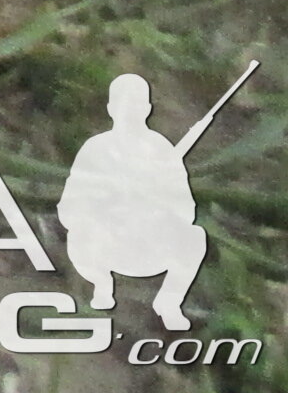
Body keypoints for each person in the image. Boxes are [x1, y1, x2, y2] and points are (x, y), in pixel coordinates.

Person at [58, 72, 211, 331]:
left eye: (137, 103)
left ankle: (170, 302)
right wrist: (107, 202)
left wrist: (156, 200)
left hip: (148, 243)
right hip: (104, 243)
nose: (130, 111)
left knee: (194, 237)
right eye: (123, 103)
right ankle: (102, 286)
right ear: (111, 108)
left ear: (148, 108)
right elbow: (69, 208)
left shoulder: (162, 151)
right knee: (82, 234)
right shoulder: (95, 149)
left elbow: (186, 209)